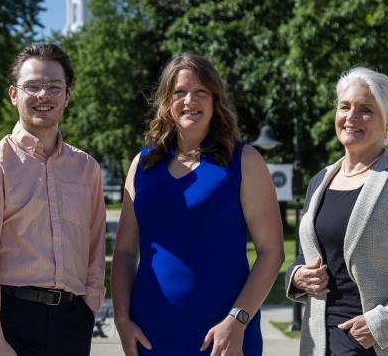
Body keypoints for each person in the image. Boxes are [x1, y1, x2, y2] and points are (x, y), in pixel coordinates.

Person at [111, 54, 285, 356]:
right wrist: (122, 319)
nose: (189, 100)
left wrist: (238, 319)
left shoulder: (244, 161)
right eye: (179, 92)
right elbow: (125, 252)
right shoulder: (142, 164)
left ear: (215, 99)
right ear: (167, 100)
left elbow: (272, 252)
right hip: (151, 334)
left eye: (200, 91)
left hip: (224, 338)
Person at [286, 67, 388, 356]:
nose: (351, 117)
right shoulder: (319, 181)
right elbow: (308, 255)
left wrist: (381, 323)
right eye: (345, 107)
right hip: (318, 345)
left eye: (365, 110)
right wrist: (297, 276)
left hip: (377, 346)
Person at [0, 43, 106, 356]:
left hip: (73, 322)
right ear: (13, 94)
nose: (44, 95)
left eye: (54, 86)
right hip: (9, 323)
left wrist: (89, 307)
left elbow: (94, 246)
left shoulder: (87, 169)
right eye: (33, 86)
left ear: (67, 95)